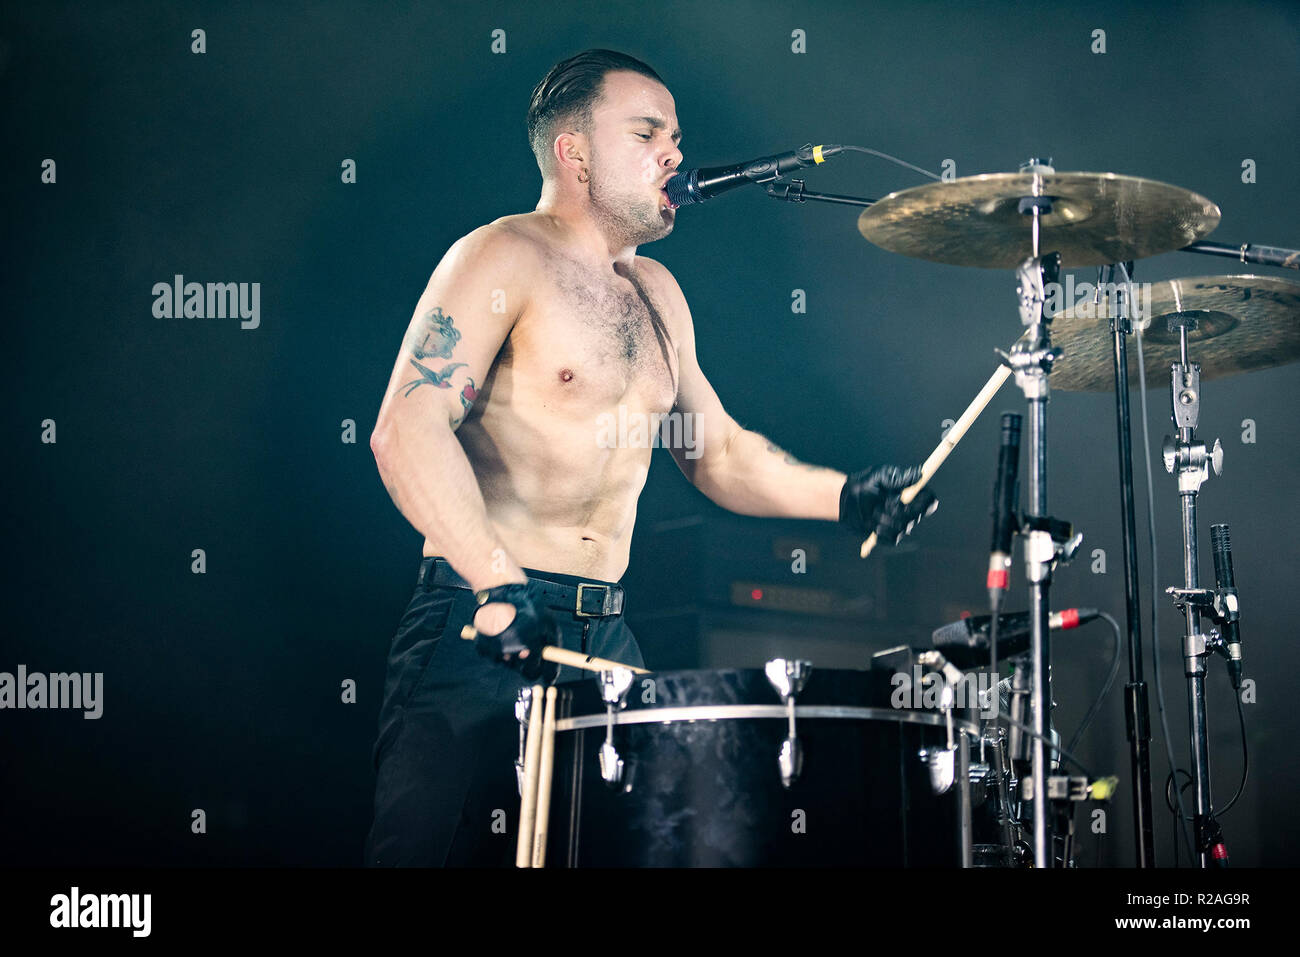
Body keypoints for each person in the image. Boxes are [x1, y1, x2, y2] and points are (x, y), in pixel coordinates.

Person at [363, 49, 937, 866]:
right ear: (575, 153)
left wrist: (848, 497)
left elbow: (719, 453)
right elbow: (407, 427)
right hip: (480, 626)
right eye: (647, 132)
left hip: (607, 643)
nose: (673, 152)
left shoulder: (658, 293)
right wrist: (495, 580)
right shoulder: (502, 255)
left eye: (675, 135)